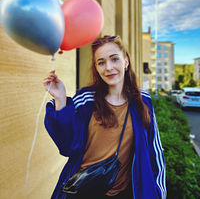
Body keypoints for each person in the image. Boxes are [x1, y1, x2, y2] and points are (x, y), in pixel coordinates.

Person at [43, 35, 166, 199]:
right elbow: (67, 146)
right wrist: (60, 98)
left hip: (124, 193)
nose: (108, 67)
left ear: (126, 62)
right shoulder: (86, 99)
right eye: (101, 62)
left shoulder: (142, 101)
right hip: (83, 190)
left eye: (114, 59)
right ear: (96, 67)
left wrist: (159, 192)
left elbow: (154, 150)